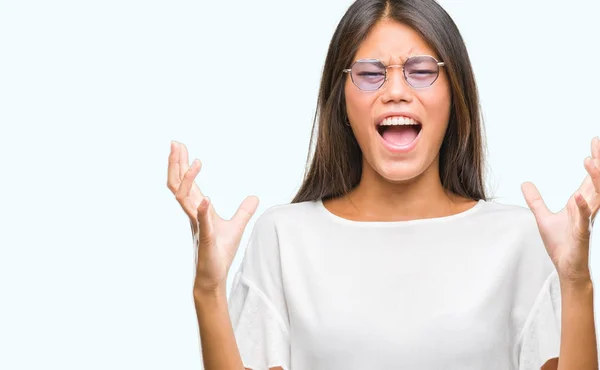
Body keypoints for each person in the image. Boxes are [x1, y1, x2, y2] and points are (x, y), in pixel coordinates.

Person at [166, 0, 599, 369]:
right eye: (370, 73)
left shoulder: (518, 237)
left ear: (455, 91)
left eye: (421, 71)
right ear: (342, 99)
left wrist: (576, 280)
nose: (395, 91)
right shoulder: (283, 236)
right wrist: (208, 291)